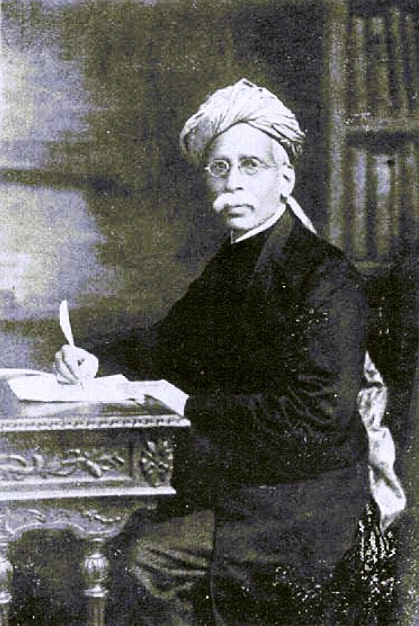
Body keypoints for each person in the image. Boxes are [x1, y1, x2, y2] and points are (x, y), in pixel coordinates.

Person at [54, 79, 401, 626]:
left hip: (308, 503)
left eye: (250, 165)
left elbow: (316, 419)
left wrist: (190, 406)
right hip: (246, 485)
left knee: (146, 559)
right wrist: (96, 359)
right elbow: (167, 343)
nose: (233, 182)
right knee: (115, 530)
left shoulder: (325, 277)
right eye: (220, 167)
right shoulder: (234, 259)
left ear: (285, 179)